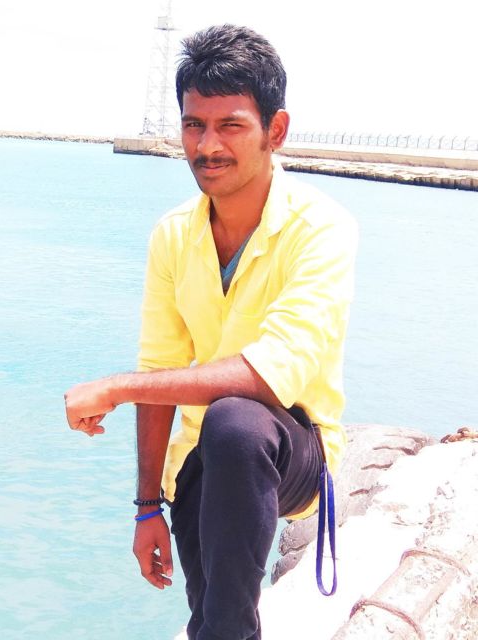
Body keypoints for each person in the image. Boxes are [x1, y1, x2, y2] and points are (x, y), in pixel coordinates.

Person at [64, 24, 357, 640]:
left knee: (235, 421)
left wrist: (114, 388)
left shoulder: (321, 229)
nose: (207, 145)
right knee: (215, 621)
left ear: (276, 130)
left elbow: (269, 376)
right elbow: (159, 368)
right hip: (201, 462)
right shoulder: (174, 234)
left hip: (291, 448)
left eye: (231, 126)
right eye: (194, 125)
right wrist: (147, 506)